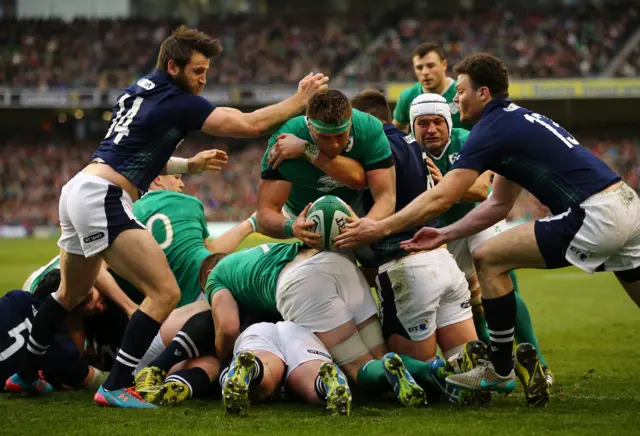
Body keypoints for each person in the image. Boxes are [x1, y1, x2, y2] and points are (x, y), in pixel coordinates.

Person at [7, 24, 328, 408]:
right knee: (165, 292)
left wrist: (188, 166)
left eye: (206, 71)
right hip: (104, 198)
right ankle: (116, 387)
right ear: (173, 66)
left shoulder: (140, 89)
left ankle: (23, 375)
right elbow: (250, 124)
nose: (203, 80)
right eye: (197, 71)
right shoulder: (180, 101)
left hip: (79, 188)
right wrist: (299, 99)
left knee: (69, 293)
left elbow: (136, 151)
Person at [335, 53, 640, 406]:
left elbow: (441, 198)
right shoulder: (517, 119)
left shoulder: (490, 129)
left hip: (595, 214)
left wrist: (376, 227)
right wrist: (445, 234)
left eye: (461, 91)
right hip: (627, 205)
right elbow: (497, 204)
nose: (456, 98)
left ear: (483, 93)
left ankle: (499, 368)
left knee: (489, 258)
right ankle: (511, 364)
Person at [257, 89, 396, 248]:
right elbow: (265, 215)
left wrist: (366, 226)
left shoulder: (369, 129)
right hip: (300, 214)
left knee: (370, 254)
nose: (334, 144)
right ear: (309, 124)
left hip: (357, 208)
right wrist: (292, 227)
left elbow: (386, 197)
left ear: (350, 122)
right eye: (324, 137)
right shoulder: (283, 142)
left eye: (340, 135)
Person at [220, 322, 352, 416]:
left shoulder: (224, 283)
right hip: (298, 329)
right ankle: (326, 383)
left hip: (254, 330)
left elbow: (227, 327)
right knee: (312, 370)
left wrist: (223, 356)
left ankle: (252, 368)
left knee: (263, 363)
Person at [392, 42, 470, 131]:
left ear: (444, 65)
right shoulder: (408, 97)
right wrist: (410, 142)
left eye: (430, 66)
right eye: (419, 67)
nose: (425, 72)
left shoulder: (462, 94)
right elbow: (397, 131)